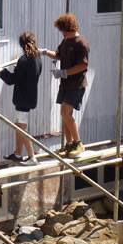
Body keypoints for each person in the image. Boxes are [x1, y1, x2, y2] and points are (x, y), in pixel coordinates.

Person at [40, 13, 90, 158]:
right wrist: (43, 52)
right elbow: (58, 55)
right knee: (64, 115)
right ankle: (69, 145)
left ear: (67, 29)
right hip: (66, 84)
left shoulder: (81, 43)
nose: (61, 33)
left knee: (66, 113)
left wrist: (65, 72)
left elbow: (83, 65)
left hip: (76, 84)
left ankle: (78, 143)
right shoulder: (66, 41)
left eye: (62, 30)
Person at [0, 31, 43, 163]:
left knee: (20, 127)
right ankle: (18, 153)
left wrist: (1, 71)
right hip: (30, 97)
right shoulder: (37, 58)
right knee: (19, 124)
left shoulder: (24, 60)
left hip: (22, 98)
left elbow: (12, 80)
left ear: (21, 45)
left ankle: (31, 157)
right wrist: (17, 68)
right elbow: (25, 76)